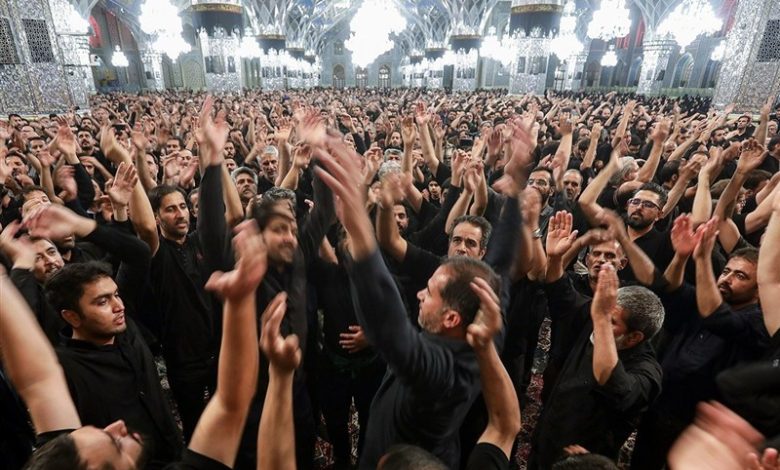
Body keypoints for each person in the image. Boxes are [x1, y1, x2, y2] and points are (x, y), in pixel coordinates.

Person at [315, 133, 503, 469]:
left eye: (429, 292)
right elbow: (507, 424)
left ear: (451, 318)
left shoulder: (439, 373)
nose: (419, 293)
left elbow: (388, 321)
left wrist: (358, 225)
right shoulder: (470, 329)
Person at [17, 219, 267, 470]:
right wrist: (18, 267)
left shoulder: (125, 326)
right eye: (102, 302)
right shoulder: (63, 370)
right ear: (71, 316)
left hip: (173, 452)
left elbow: (137, 252)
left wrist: (81, 225)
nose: (118, 306)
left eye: (116, 295)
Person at [531, 212, 664, 468]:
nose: (599, 322)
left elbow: (614, 383)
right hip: (549, 431)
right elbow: (560, 291)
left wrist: (602, 317)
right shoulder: (598, 315)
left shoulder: (647, 371)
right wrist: (555, 257)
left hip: (584, 459)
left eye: (611, 321)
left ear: (634, 337)